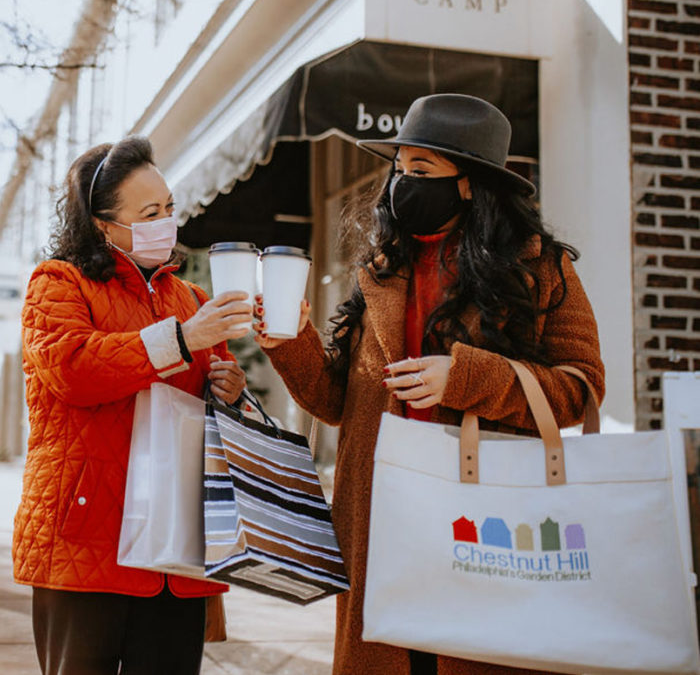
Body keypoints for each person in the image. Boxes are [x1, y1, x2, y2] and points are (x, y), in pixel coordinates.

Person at [253, 94, 605, 675]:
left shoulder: (540, 268)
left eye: (421, 171)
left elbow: (580, 389)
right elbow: (336, 402)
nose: (400, 183)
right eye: (399, 168)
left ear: (470, 184)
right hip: (380, 522)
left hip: (483, 526)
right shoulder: (382, 269)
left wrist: (465, 377)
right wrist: (287, 338)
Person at [13, 135, 251, 675]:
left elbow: (211, 401)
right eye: (149, 212)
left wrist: (229, 390)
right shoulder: (57, 283)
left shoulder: (188, 298)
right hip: (87, 539)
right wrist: (183, 341)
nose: (167, 221)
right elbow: (73, 368)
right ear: (103, 224)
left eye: (169, 207)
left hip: (175, 543)